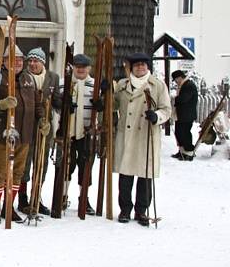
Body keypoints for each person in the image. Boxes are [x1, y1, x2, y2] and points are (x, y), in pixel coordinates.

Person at [0, 46, 46, 224]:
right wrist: (0, 104)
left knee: (17, 172)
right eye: (12, 59)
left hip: (24, 134)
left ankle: (8, 207)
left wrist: (42, 121)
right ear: (4, 61)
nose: (16, 63)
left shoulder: (28, 79)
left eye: (19, 59)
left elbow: (37, 104)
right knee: (0, 171)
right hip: (1, 134)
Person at [114, 53, 171, 226]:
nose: (141, 67)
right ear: (131, 68)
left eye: (144, 65)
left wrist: (156, 116)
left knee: (145, 175)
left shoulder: (157, 85)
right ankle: (125, 209)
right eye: (137, 65)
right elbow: (113, 105)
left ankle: (141, 211)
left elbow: (166, 109)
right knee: (126, 175)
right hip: (127, 133)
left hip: (146, 134)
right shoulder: (123, 85)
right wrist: (106, 94)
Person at [56, 53, 104, 214]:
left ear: (89, 68)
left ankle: (84, 197)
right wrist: (63, 106)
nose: (80, 70)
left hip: (86, 132)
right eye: (77, 67)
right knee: (66, 165)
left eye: (84, 67)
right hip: (67, 131)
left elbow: (106, 107)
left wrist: (101, 105)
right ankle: (62, 195)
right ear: (73, 68)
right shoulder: (64, 84)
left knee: (85, 167)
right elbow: (56, 105)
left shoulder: (95, 85)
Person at [19, 47, 61, 215]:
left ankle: (36, 197)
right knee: (24, 161)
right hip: (26, 125)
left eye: (36, 61)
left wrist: (64, 102)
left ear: (43, 62)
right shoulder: (23, 77)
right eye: (30, 61)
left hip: (45, 126)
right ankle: (22, 197)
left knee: (41, 162)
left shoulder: (53, 78)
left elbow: (57, 99)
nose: (32, 64)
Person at [172, 70, 198, 161]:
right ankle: (181, 152)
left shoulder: (189, 85)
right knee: (179, 133)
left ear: (179, 77)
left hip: (187, 115)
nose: (175, 82)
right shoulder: (184, 85)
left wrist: (175, 98)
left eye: (175, 80)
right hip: (181, 115)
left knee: (185, 133)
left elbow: (184, 99)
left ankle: (189, 153)